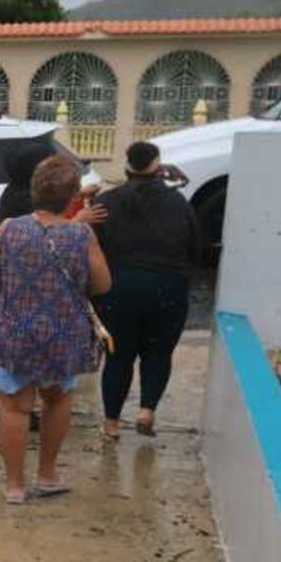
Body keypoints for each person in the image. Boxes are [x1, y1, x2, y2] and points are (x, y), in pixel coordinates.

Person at [0, 154, 112, 503]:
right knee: (56, 400)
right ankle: (47, 475)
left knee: (14, 408)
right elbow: (103, 285)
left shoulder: (10, 229)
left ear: (35, 191)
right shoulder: (81, 235)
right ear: (71, 197)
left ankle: (14, 487)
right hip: (63, 332)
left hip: (15, 330)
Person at [0, 139, 96, 428]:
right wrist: (79, 220)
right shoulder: (24, 202)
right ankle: (16, 409)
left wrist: (76, 196)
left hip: (6, 279)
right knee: (6, 350)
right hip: (20, 284)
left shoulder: (15, 190)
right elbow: (47, 232)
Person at [94, 140, 201, 439]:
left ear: (127, 165)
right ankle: (146, 411)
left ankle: (112, 424)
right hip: (167, 287)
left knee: (118, 356)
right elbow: (195, 248)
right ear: (158, 165)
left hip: (118, 287)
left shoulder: (106, 201)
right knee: (158, 352)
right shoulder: (178, 202)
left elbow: (93, 245)